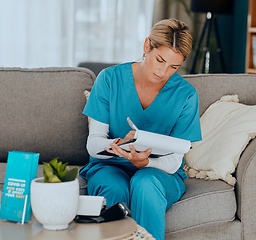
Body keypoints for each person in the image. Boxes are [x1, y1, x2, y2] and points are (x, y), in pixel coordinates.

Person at [79, 18, 202, 240]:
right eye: (160, 60)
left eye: (174, 67)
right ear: (147, 46)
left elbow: (175, 160)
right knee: (114, 187)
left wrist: (147, 163)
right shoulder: (110, 79)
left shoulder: (186, 95)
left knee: (145, 183)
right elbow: (93, 144)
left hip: (159, 172)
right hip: (110, 165)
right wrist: (117, 146)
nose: (164, 72)